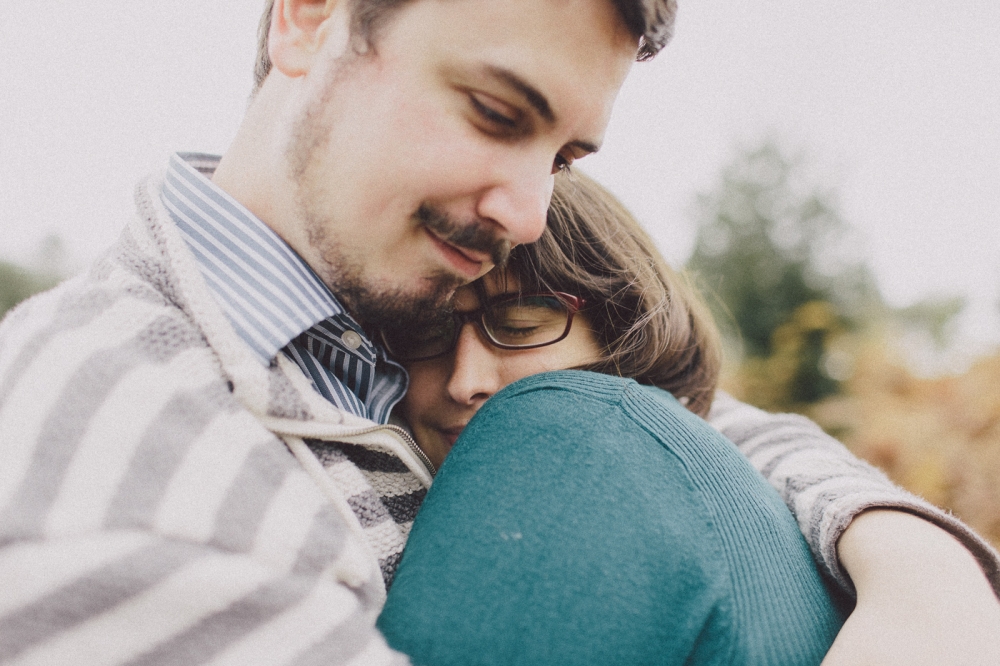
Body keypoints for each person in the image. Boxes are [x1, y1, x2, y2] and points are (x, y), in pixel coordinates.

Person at [0, 0, 995, 664]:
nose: (527, 213)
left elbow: (678, 411)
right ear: (306, 18)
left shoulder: (370, 314)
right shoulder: (120, 478)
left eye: (562, 156)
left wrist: (920, 566)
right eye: (492, 111)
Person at [379, 172, 1000, 664]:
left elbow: (731, 432)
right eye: (426, 339)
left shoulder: (633, 432)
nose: (466, 382)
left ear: (621, 331)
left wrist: (920, 561)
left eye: (519, 326)